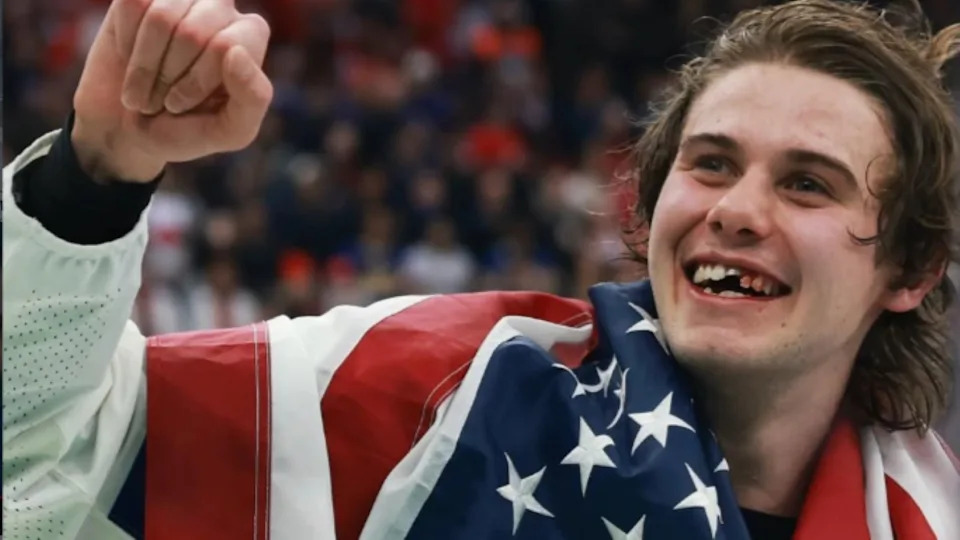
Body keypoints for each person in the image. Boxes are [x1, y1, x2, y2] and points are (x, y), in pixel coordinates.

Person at [3, 0, 959, 539]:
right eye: (710, 163)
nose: (736, 210)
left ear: (910, 268)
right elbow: (45, 463)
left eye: (807, 185)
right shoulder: (443, 392)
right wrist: (96, 174)